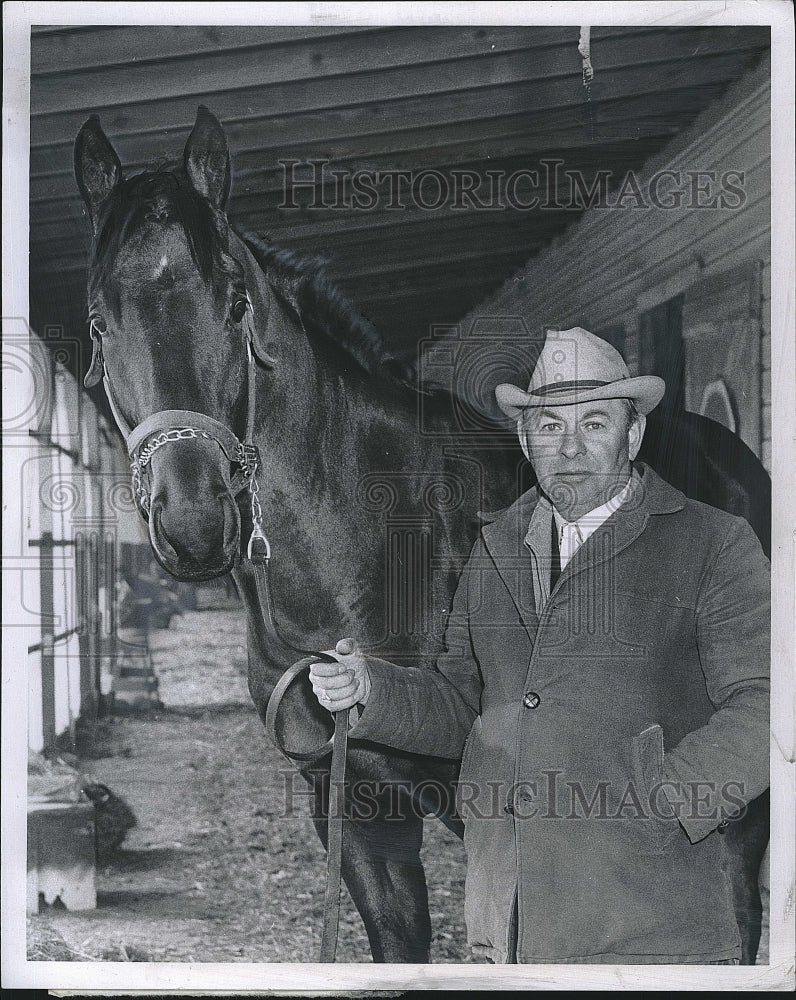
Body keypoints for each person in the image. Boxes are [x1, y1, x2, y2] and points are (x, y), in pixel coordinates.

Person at [309, 327, 770, 965]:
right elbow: (462, 703)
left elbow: (768, 702)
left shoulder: (713, 543)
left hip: (655, 920)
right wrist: (371, 690)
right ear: (526, 442)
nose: (572, 447)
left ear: (632, 435)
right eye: (551, 426)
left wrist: (671, 801)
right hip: (515, 916)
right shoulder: (496, 546)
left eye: (596, 423)